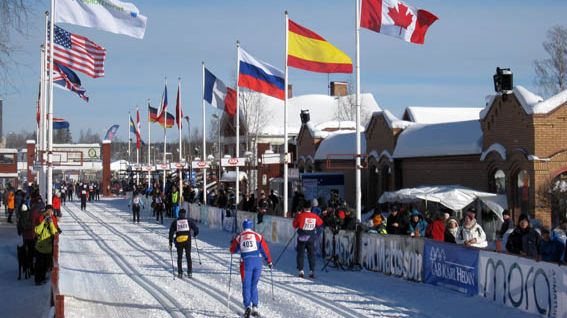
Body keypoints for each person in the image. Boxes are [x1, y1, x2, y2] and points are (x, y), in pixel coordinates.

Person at [230, 219, 272, 318]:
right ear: (251, 226)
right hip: (258, 262)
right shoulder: (258, 236)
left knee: (246, 285)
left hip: (246, 263)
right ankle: (255, 307)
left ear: (243, 226)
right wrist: (269, 261)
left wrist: (232, 243)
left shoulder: (239, 237)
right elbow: (265, 249)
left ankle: (247, 306)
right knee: (254, 285)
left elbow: (232, 250)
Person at [292, 200, 323, 278]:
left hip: (302, 237)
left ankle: (301, 270)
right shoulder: (314, 216)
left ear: (303, 208)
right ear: (310, 208)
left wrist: (297, 217)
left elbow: (294, 225)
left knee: (300, 254)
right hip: (311, 238)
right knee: (311, 254)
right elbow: (320, 223)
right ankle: (312, 271)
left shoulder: (300, 215)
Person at [169, 209, 199, 278]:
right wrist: (195, 234)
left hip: (179, 241)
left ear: (179, 214)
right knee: (188, 256)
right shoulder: (188, 221)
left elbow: (171, 233)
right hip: (187, 241)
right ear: (185, 214)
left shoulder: (175, 221)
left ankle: (180, 272)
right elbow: (196, 229)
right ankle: (190, 272)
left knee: (179, 257)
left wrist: (170, 242)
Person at [34, 206, 59, 285]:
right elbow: (37, 230)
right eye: (48, 211)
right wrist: (44, 221)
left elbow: (54, 232)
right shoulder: (42, 219)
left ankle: (43, 278)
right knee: (39, 265)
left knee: (45, 265)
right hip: (40, 247)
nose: (49, 213)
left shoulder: (52, 220)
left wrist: (51, 222)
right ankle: (38, 280)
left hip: (48, 248)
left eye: (51, 211)